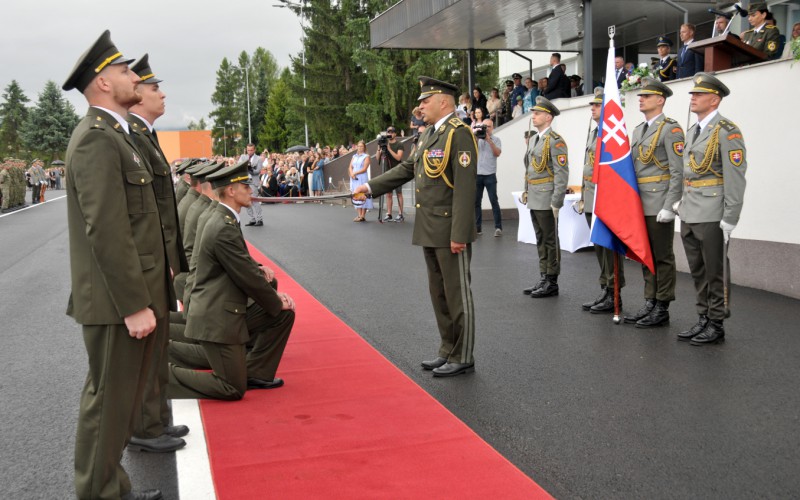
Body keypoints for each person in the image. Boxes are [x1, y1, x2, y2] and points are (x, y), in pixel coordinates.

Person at [62, 30, 169, 500]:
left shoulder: (117, 136)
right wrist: (133, 304)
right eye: (125, 71)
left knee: (119, 400)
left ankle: (113, 487)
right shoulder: (95, 140)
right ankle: (99, 492)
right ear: (104, 84)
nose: (134, 77)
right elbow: (106, 230)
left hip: (130, 292)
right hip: (113, 300)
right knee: (107, 402)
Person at [353, 76, 477, 377]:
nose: (420, 106)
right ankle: (447, 348)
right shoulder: (428, 135)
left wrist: (460, 234)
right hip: (429, 226)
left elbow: (464, 188)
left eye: (425, 100)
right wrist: (368, 187)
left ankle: (463, 354)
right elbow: (408, 169)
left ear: (444, 102)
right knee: (439, 293)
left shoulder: (458, 134)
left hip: (449, 229)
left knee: (457, 293)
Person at [168, 160, 296, 399]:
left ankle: (254, 372)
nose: (251, 190)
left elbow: (239, 264)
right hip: (216, 314)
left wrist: (269, 292)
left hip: (219, 305)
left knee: (282, 315)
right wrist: (276, 301)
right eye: (245, 186)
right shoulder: (222, 225)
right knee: (232, 387)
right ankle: (158, 376)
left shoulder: (223, 217)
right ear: (230, 190)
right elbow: (246, 276)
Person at [126, 54, 190, 454]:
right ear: (137, 96)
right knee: (147, 351)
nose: (161, 93)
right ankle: (145, 426)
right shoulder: (131, 135)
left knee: (159, 345)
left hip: (160, 256)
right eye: (153, 88)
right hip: (148, 259)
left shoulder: (145, 134)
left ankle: (156, 420)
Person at [675, 73, 747, 346]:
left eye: (698, 94)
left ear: (714, 99)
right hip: (691, 208)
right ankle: (703, 316)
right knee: (697, 269)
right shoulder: (694, 131)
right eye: (692, 94)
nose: (692, 98)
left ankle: (716, 322)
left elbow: (736, 177)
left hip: (713, 211)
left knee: (715, 270)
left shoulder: (727, 131)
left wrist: (731, 217)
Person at [624, 78, 684, 328]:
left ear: (660, 100)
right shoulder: (639, 130)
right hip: (640, 203)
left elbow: (677, 171)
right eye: (640, 96)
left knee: (662, 256)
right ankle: (650, 300)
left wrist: (670, 206)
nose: (641, 99)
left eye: (646, 96)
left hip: (659, 201)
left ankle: (662, 305)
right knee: (645, 255)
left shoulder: (671, 129)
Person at [578, 88, 626, 313]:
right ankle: (606, 288)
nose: (593, 109)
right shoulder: (594, 131)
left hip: (605, 197)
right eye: (592, 106)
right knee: (599, 246)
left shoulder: (611, 133)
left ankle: (614, 292)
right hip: (591, 195)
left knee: (609, 247)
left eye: (597, 105)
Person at [521, 97, 569, 298]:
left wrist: (557, 201)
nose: (533, 116)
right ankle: (543, 276)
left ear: (548, 117)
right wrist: (526, 190)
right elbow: (530, 168)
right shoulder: (534, 139)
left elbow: (561, 172)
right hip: (534, 195)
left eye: (537, 113)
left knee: (550, 240)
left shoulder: (555, 141)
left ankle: (552, 280)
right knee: (540, 238)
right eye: (533, 113)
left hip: (547, 196)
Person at [474, 119, 502, 237]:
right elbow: (471, 149)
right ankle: (477, 228)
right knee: (476, 202)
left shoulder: (496, 140)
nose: (487, 128)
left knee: (493, 201)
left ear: (493, 127)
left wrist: (489, 140)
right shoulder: (478, 139)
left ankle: (498, 227)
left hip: (490, 174)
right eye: (485, 126)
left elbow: (497, 153)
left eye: (489, 126)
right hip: (478, 174)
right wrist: (476, 135)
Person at [376, 127, 405, 221]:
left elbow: (398, 158)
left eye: (392, 132)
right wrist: (379, 148)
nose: (390, 134)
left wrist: (389, 148)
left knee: (399, 193)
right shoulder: (384, 144)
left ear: (395, 134)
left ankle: (400, 214)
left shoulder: (399, 144)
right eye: (388, 132)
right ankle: (389, 213)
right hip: (387, 171)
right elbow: (377, 159)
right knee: (388, 194)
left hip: (397, 171)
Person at [238, 143, 264, 226]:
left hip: (253, 181)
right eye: (248, 150)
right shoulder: (243, 157)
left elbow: (258, 171)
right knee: (246, 201)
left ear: (254, 150)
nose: (249, 152)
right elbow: (238, 167)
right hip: (244, 181)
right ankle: (252, 219)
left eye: (251, 150)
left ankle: (259, 219)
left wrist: (250, 169)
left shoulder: (259, 159)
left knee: (254, 200)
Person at [349, 140, 372, 222]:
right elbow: (350, 166)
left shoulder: (366, 156)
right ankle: (359, 215)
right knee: (356, 195)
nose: (359, 148)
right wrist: (351, 173)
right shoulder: (354, 156)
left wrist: (355, 172)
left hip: (362, 177)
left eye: (361, 146)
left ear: (364, 147)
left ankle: (363, 215)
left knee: (363, 194)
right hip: (354, 178)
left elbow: (364, 168)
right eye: (358, 146)